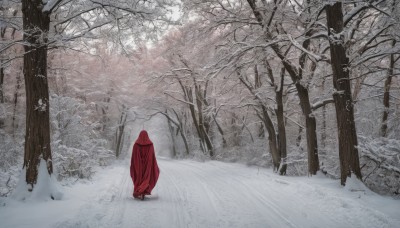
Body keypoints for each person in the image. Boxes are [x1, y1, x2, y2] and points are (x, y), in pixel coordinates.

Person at [130, 130, 160, 200]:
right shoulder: (150, 145)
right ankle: (143, 192)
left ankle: (139, 191)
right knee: (147, 177)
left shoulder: (136, 144)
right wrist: (152, 165)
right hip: (147, 165)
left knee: (138, 177)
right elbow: (152, 157)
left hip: (138, 165)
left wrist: (134, 165)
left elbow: (134, 157)